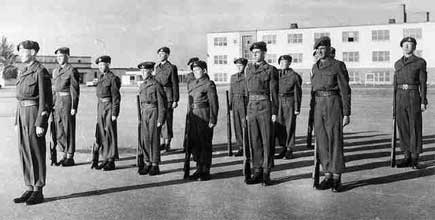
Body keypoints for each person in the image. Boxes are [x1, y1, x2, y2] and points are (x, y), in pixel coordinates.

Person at [14, 40, 52, 205]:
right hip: (23, 114)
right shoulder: (24, 71)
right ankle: (29, 186)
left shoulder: (40, 71)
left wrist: (40, 123)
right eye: (20, 51)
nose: (20, 54)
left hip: (33, 114)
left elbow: (46, 100)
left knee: (35, 152)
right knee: (24, 151)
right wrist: (17, 120)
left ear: (33, 52)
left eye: (23, 51)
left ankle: (38, 190)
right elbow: (20, 98)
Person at [311, 36, 351, 192]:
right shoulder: (315, 67)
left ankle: (336, 177)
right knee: (322, 142)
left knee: (335, 141)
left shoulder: (338, 65)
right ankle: (327, 175)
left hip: (333, 104)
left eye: (323, 48)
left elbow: (345, 91)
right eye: (318, 49)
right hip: (318, 105)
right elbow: (313, 91)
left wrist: (346, 113)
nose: (320, 51)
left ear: (329, 49)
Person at [244, 41, 278, 186]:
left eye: (258, 52)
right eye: (253, 52)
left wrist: (274, 111)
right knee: (254, 140)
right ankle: (257, 170)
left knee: (267, 140)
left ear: (264, 53)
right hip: (251, 106)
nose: (255, 54)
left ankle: (266, 172)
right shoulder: (248, 69)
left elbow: (274, 93)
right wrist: (246, 110)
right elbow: (246, 91)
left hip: (265, 106)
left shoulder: (270, 69)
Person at [394, 37, 428, 169]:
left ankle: (415, 158)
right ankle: (406, 156)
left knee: (415, 127)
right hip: (400, 97)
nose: (407, 46)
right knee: (403, 127)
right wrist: (394, 103)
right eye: (405, 44)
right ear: (401, 46)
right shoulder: (397, 64)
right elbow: (395, 85)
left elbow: (423, 83)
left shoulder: (420, 62)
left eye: (410, 44)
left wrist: (423, 100)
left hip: (413, 96)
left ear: (414, 47)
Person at [186, 60, 219, 181]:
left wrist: (213, 119)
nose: (195, 72)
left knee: (204, 143)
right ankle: (198, 168)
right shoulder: (192, 83)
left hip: (204, 115)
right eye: (194, 71)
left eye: (198, 70)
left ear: (204, 71)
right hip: (194, 115)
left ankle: (205, 170)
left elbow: (214, 103)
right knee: (195, 143)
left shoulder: (209, 84)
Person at [91, 55, 121, 171]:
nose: (101, 67)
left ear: (108, 65)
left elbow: (116, 97)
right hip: (100, 106)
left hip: (109, 107)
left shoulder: (112, 78)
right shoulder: (101, 77)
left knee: (110, 133)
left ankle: (111, 160)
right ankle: (105, 158)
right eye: (99, 65)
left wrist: (114, 113)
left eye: (103, 64)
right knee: (102, 133)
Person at [137, 62, 167, 175]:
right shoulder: (142, 85)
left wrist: (160, 119)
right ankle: (147, 162)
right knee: (145, 139)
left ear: (151, 71)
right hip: (144, 112)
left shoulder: (156, 85)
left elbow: (161, 103)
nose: (143, 73)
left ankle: (155, 164)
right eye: (142, 71)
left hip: (154, 112)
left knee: (154, 139)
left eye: (145, 71)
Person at [52, 47, 80, 166]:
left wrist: (74, 107)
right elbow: (54, 89)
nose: (59, 58)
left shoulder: (71, 70)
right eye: (57, 57)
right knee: (59, 130)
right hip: (57, 102)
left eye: (61, 56)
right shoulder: (56, 71)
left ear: (67, 57)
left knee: (68, 129)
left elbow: (75, 90)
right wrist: (52, 104)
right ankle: (64, 153)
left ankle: (70, 156)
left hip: (67, 101)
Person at [274, 55, 302, 160]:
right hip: (278, 101)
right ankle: (283, 148)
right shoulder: (276, 75)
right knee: (279, 126)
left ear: (289, 63)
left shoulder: (294, 76)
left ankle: (289, 149)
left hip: (289, 102)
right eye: (281, 62)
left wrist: (297, 108)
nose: (282, 64)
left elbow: (297, 93)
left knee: (289, 126)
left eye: (285, 62)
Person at [154, 47, 179, 152]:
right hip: (159, 97)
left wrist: (175, 100)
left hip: (168, 97)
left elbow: (175, 84)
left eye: (163, 53)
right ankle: (162, 142)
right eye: (159, 54)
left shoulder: (171, 67)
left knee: (168, 120)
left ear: (168, 55)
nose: (160, 55)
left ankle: (168, 143)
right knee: (160, 119)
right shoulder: (157, 67)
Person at [229, 58, 248, 157]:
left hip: (244, 102)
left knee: (245, 124)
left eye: (241, 65)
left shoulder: (248, 77)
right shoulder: (233, 77)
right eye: (237, 65)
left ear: (245, 66)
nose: (239, 67)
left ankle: (247, 146)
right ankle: (241, 147)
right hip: (235, 102)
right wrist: (230, 104)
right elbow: (231, 91)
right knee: (237, 126)